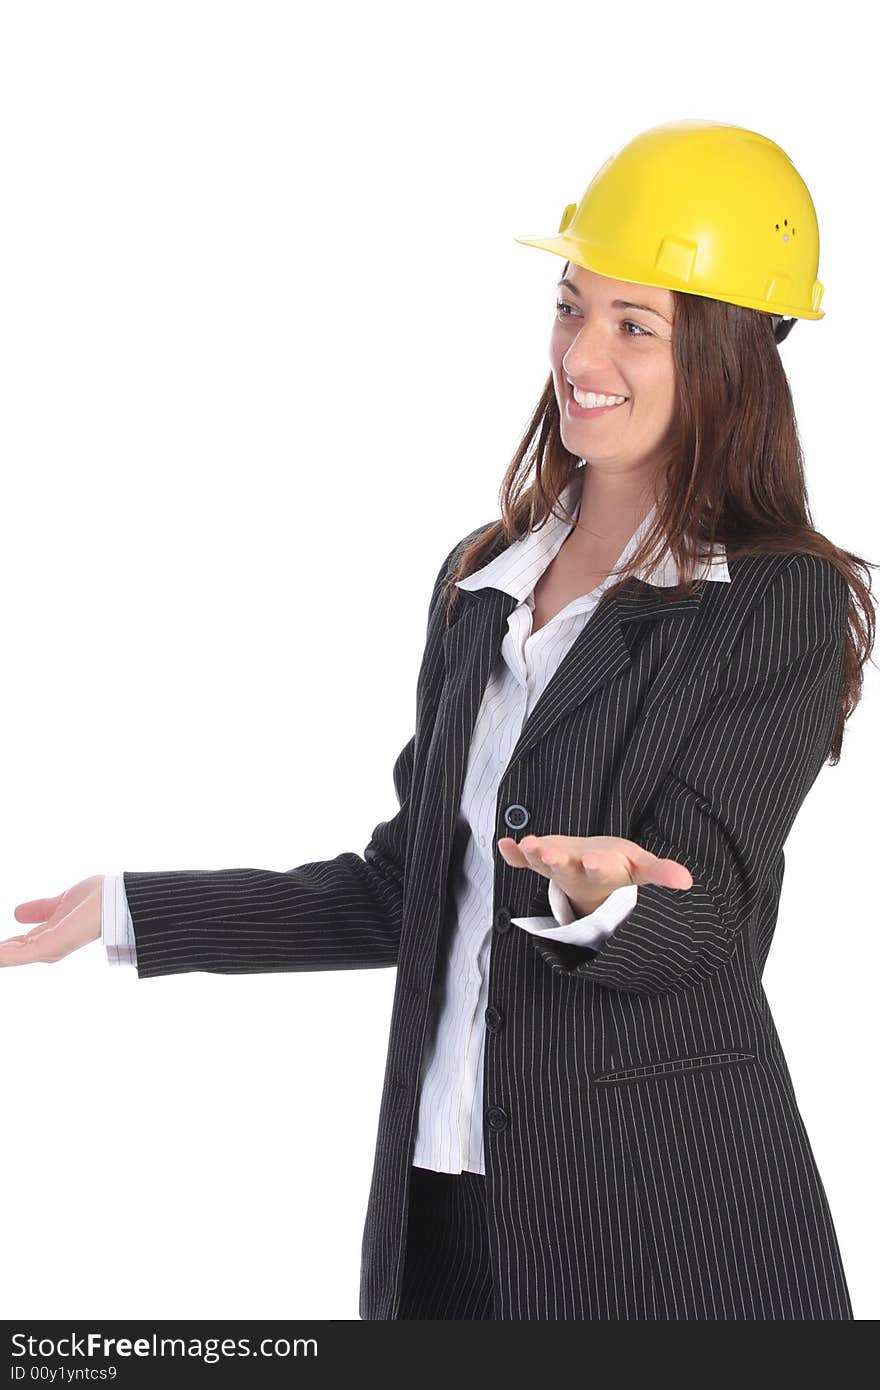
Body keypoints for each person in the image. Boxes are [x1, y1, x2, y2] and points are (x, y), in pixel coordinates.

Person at [2, 118, 875, 1320]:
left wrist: (604, 890)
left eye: (636, 324)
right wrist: (132, 907)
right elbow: (406, 884)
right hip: (445, 1198)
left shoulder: (773, 596)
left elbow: (715, 920)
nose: (584, 351)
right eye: (572, 305)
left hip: (663, 1218)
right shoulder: (483, 582)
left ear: (726, 354)